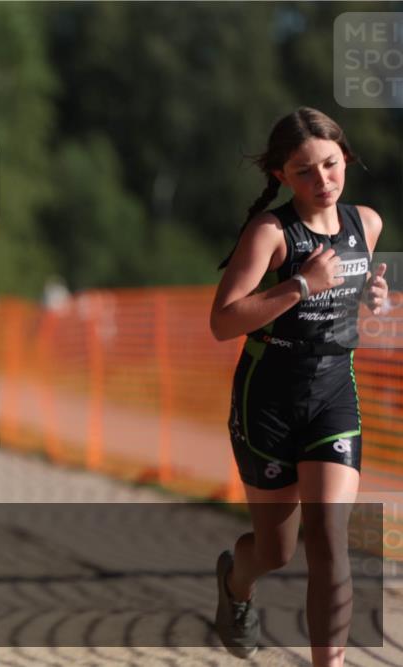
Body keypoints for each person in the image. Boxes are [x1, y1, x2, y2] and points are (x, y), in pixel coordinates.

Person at [210, 107, 388, 666]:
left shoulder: (368, 223)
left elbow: (348, 292)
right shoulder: (271, 232)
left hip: (333, 392)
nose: (323, 181)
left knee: (331, 537)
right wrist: (299, 286)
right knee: (275, 551)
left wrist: (372, 299)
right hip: (267, 399)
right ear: (282, 176)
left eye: (331, 165)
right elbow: (223, 321)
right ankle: (236, 585)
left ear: (346, 159)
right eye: (305, 171)